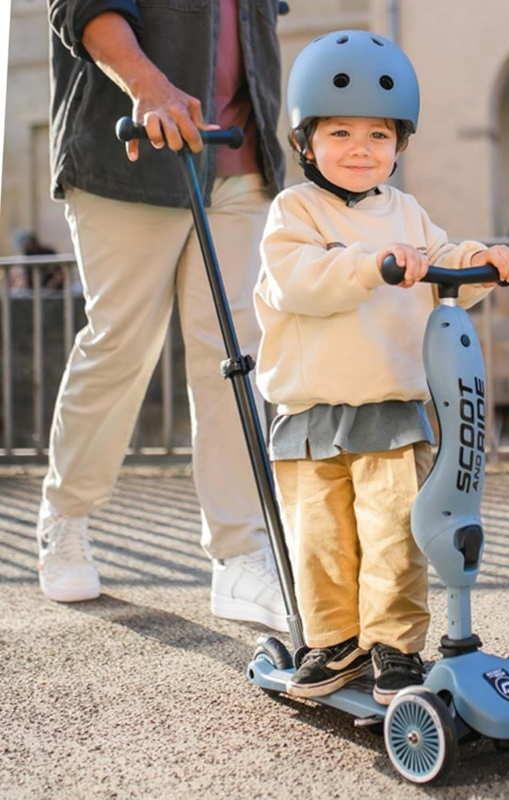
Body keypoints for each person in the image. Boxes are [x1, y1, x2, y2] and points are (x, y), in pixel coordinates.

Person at [253, 30, 509, 705]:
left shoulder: (406, 212)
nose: (358, 149)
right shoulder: (294, 211)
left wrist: (484, 259)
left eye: (378, 136)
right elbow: (299, 282)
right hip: (309, 415)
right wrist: (371, 265)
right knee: (320, 542)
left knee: (392, 538)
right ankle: (334, 641)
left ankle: (392, 649)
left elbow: (445, 259)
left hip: (390, 412)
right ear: (304, 142)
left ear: (399, 146)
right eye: (339, 132)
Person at [40, 0, 288, 631]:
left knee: (233, 354)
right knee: (123, 343)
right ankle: (65, 517)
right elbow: (83, 8)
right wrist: (148, 87)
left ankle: (239, 551)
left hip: (240, 157)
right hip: (130, 157)